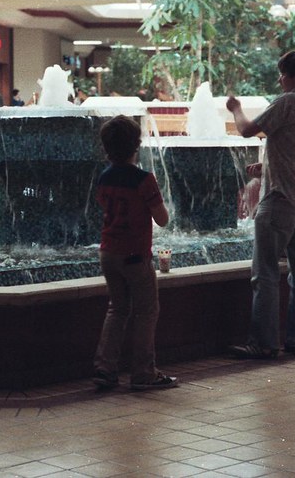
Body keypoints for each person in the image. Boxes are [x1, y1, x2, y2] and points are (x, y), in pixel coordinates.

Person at [225, 51, 295, 359]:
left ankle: (264, 343)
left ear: (294, 75)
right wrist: (266, 167)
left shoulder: (289, 101)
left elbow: (246, 129)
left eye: (282, 74)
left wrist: (236, 108)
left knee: (265, 273)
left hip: (280, 200)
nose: (280, 80)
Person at [92, 115, 177, 391]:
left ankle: (105, 369)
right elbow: (162, 219)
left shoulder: (104, 178)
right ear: (136, 146)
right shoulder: (144, 179)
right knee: (146, 311)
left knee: (117, 309)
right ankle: (143, 372)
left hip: (108, 253)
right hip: (135, 256)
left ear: (107, 148)